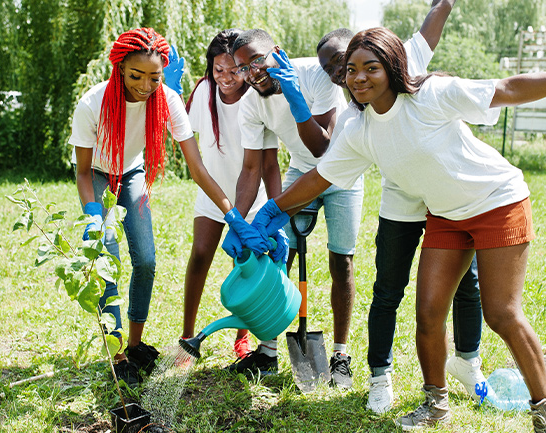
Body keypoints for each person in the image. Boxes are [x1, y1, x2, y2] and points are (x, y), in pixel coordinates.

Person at [246, 28, 546, 433]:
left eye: (371, 68)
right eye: (351, 70)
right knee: (428, 312)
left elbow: (506, 89)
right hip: (446, 214)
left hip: (497, 202)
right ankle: (435, 402)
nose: (359, 78)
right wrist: (271, 210)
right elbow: (321, 177)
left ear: (392, 67)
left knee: (502, 313)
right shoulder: (358, 127)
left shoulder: (432, 95)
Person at [70, 28, 277, 389]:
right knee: (108, 257)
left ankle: (135, 344)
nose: (145, 85)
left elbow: (198, 169)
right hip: (99, 175)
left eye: (154, 76)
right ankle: (118, 356)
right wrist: (91, 213)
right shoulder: (93, 103)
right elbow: (84, 171)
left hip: (131, 170)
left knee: (146, 260)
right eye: (136, 75)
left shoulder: (167, 100)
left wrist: (232, 217)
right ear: (119, 68)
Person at [315, 0, 488, 413]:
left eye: (352, 63)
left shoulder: (402, 60)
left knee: (467, 284)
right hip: (401, 197)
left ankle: (467, 361)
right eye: (336, 70)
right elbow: (322, 174)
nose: (347, 74)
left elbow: (439, 9)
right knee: (388, 288)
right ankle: (380, 375)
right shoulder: (352, 122)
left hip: (444, 191)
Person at [228, 27, 360, 386]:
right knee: (275, 251)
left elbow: (324, 148)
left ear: (277, 52)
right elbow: (252, 168)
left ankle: (340, 354)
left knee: (341, 259)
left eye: (257, 60)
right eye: (242, 67)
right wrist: (237, 221)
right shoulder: (251, 104)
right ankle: (268, 351)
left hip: (343, 170)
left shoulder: (316, 75)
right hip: (302, 172)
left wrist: (295, 96)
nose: (252, 72)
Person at [181, 30, 282, 352]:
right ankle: (187, 336)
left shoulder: (258, 99)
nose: (226, 77)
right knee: (200, 256)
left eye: (234, 70)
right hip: (213, 193)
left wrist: (278, 213)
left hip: (252, 198)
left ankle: (243, 338)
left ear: (245, 67)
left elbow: (267, 165)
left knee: (247, 267)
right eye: (218, 70)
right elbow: (186, 143)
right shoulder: (203, 93)